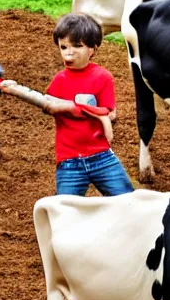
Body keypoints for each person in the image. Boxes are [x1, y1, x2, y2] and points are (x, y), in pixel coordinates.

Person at [41, 13, 135, 196]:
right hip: (69, 162)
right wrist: (14, 89)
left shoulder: (102, 77)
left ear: (92, 49)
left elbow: (108, 112)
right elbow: (48, 104)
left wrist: (70, 106)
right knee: (65, 212)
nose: (69, 52)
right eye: (64, 47)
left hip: (102, 157)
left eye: (78, 46)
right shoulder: (59, 81)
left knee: (128, 201)